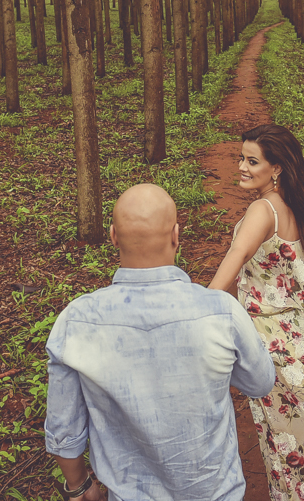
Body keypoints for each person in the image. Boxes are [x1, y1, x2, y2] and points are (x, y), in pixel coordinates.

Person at [44, 183, 276, 501]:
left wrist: (80, 485)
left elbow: (63, 429)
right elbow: (261, 382)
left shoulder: (76, 321)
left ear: (113, 236)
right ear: (176, 235)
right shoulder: (221, 311)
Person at [208, 124, 304, 501]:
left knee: (285, 446)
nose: (241, 167)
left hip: (275, 347)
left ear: (277, 168)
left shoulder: (262, 210)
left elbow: (236, 257)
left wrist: (202, 308)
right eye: (241, 158)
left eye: (252, 161)